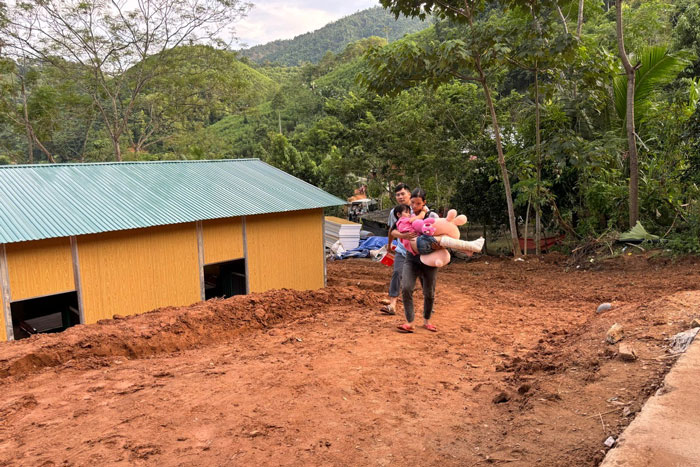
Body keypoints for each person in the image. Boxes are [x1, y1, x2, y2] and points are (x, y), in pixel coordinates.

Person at [396, 188, 440, 333]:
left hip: (429, 259)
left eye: (418, 203)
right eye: (413, 203)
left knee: (429, 292)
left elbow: (440, 232)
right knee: (407, 287)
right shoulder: (406, 214)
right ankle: (410, 322)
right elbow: (392, 231)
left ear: (424, 203)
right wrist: (406, 236)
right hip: (411, 257)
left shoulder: (431, 215)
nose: (414, 206)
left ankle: (427, 320)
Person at [380, 183, 412, 315]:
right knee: (397, 274)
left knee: (423, 277)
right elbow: (392, 229)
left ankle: (428, 304)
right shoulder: (395, 212)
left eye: (403, 194)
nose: (400, 197)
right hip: (401, 249)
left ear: (409, 194)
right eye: (398, 195)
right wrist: (389, 245)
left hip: (418, 250)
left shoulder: (420, 208)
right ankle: (392, 304)